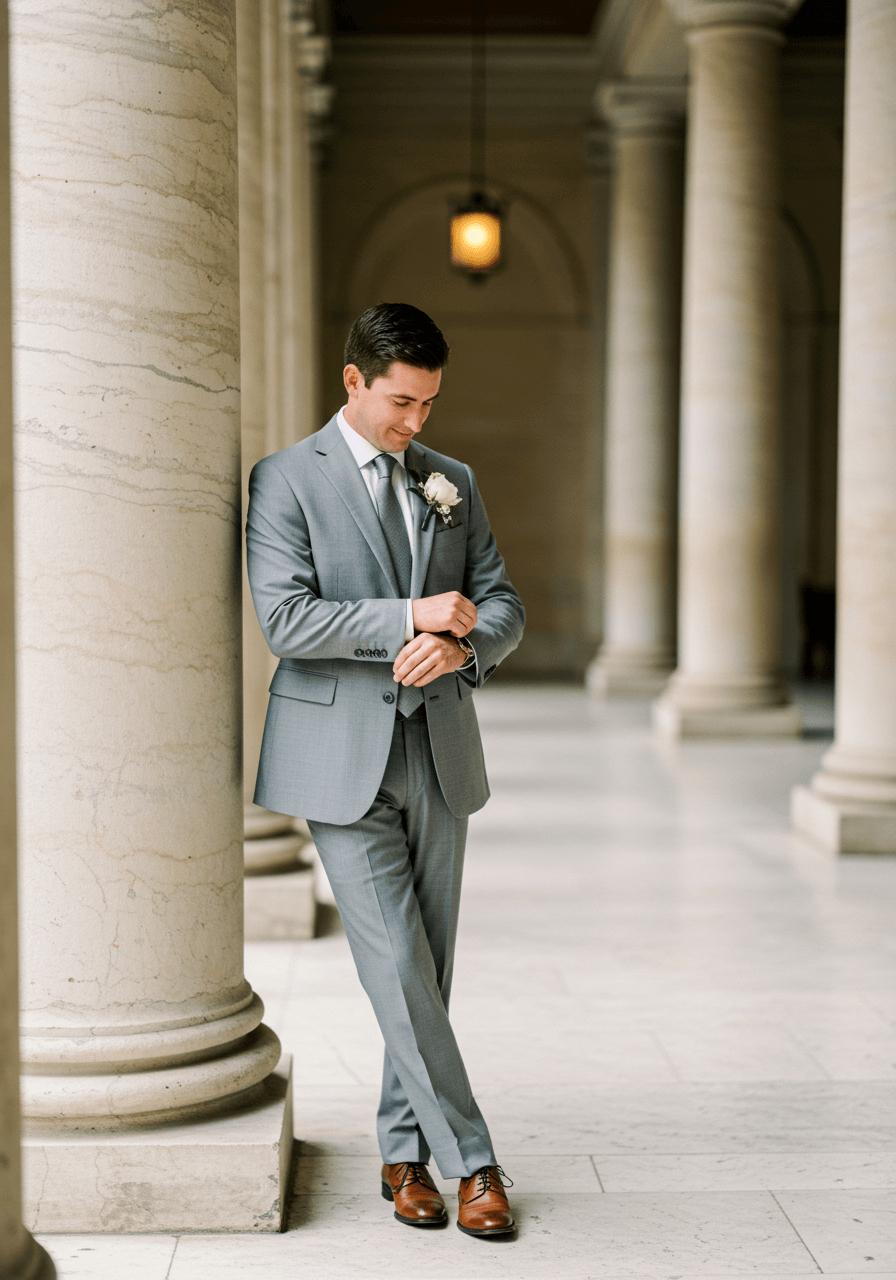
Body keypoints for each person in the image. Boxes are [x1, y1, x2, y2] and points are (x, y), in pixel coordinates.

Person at [246, 302, 525, 1237]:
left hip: (440, 748)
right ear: (354, 380)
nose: (417, 423)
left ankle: (403, 1156)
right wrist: (409, 616)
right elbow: (285, 620)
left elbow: (501, 605)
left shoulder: (453, 481)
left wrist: (462, 648)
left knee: (424, 967)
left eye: (430, 405)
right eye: (402, 401)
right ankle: (472, 1162)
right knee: (397, 958)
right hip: (338, 755)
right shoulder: (284, 479)